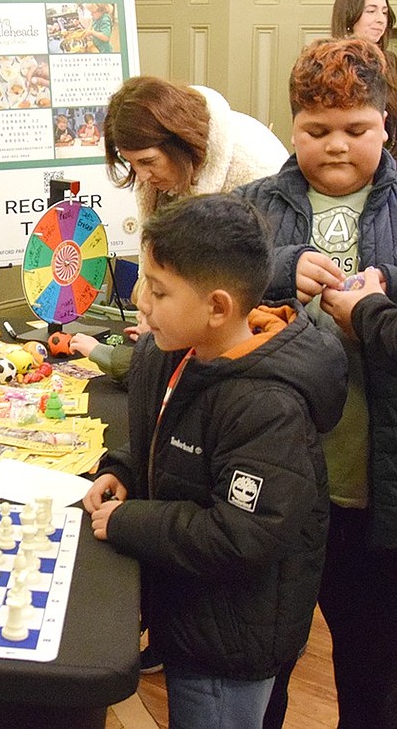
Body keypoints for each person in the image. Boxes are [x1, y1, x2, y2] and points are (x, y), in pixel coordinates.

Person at [84, 193, 345, 729]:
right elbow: (164, 438)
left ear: (218, 307)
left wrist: (129, 521)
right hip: (187, 611)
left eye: (158, 290)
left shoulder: (268, 407)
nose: (140, 301)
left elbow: (240, 535)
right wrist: (124, 469)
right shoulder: (173, 351)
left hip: (229, 643)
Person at [235, 37, 397, 729]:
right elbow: (206, 301)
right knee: (264, 664)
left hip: (371, 486)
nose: (336, 146)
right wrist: (275, 271)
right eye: (316, 130)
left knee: (372, 666)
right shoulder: (251, 207)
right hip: (276, 486)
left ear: (385, 122)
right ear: (291, 125)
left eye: (356, 129)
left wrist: (376, 311)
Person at [103, 76, 288, 224]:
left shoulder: (256, 166)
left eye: (147, 162)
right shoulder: (164, 175)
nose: (142, 177)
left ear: (179, 143)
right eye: (130, 162)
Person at [331, 0, 397, 148]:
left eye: (384, 12)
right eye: (371, 11)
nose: (381, 20)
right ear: (349, 16)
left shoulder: (391, 62)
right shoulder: (330, 64)